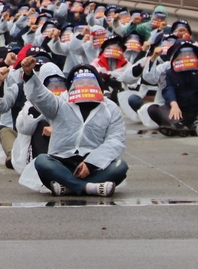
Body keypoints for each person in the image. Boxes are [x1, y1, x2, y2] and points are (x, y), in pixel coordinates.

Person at [22, 58, 127, 197]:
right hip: (62, 162)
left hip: (93, 165)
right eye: (80, 82)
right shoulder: (60, 102)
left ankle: (68, 186)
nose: (85, 86)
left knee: (120, 166)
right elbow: (41, 97)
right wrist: (29, 74)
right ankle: (88, 188)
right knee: (42, 161)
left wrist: (91, 164)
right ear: (71, 85)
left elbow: (115, 140)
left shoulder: (110, 108)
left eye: (89, 82)